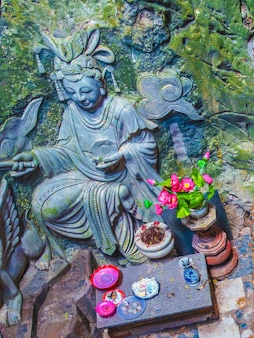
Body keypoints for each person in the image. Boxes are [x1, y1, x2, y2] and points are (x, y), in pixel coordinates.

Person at [12, 29, 159, 263]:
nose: (81, 98)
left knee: (111, 195)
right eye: (72, 92)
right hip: (85, 177)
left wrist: (122, 155)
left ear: (101, 85)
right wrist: (36, 157)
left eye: (86, 90)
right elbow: (67, 152)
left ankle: (129, 243)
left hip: (125, 178)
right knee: (44, 204)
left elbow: (146, 145)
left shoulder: (121, 109)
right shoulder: (72, 112)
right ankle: (108, 239)